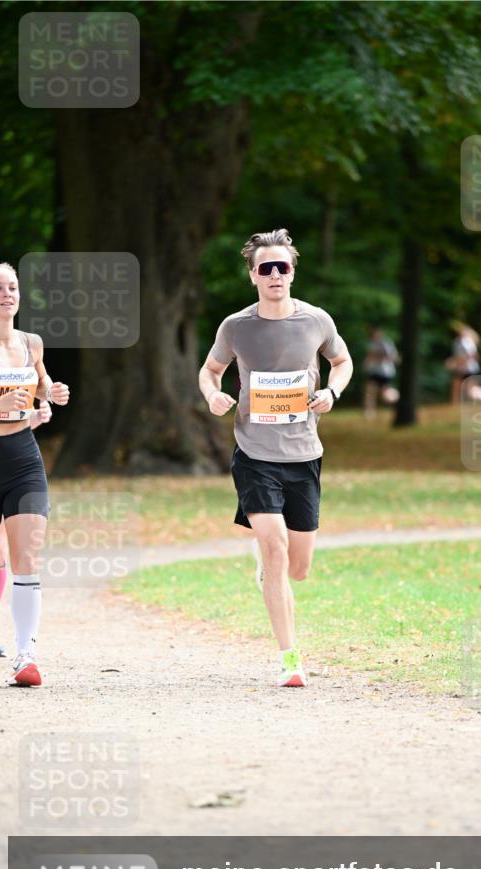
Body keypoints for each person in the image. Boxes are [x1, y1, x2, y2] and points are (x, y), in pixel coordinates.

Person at [198, 229, 353, 688]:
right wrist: (213, 396)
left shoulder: (316, 321)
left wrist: (332, 390)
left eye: (281, 267)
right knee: (276, 546)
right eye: (265, 268)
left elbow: (341, 361)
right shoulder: (236, 326)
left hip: (304, 455)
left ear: (292, 271)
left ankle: (269, 567)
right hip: (254, 453)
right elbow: (211, 371)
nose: (274, 275)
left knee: (297, 569)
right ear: (252, 276)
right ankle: (290, 660)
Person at [0, 262, 70, 686]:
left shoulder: (31, 343)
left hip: (23, 458)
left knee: (27, 558)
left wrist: (52, 392)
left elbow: (43, 386)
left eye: (13, 287)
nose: (8, 294)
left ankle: (25, 656)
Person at [0, 401, 52, 658]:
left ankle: (24, 653)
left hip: (16, 458)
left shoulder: (21, 364)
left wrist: (32, 416)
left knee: (6, 554)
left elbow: (7, 419)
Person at [363, 327, 400, 418]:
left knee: (386, 395)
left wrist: (381, 357)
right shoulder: (371, 344)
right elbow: (369, 357)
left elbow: (394, 357)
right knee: (370, 391)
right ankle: (369, 412)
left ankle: (397, 404)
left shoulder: (387, 343)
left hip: (385, 372)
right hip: (374, 371)